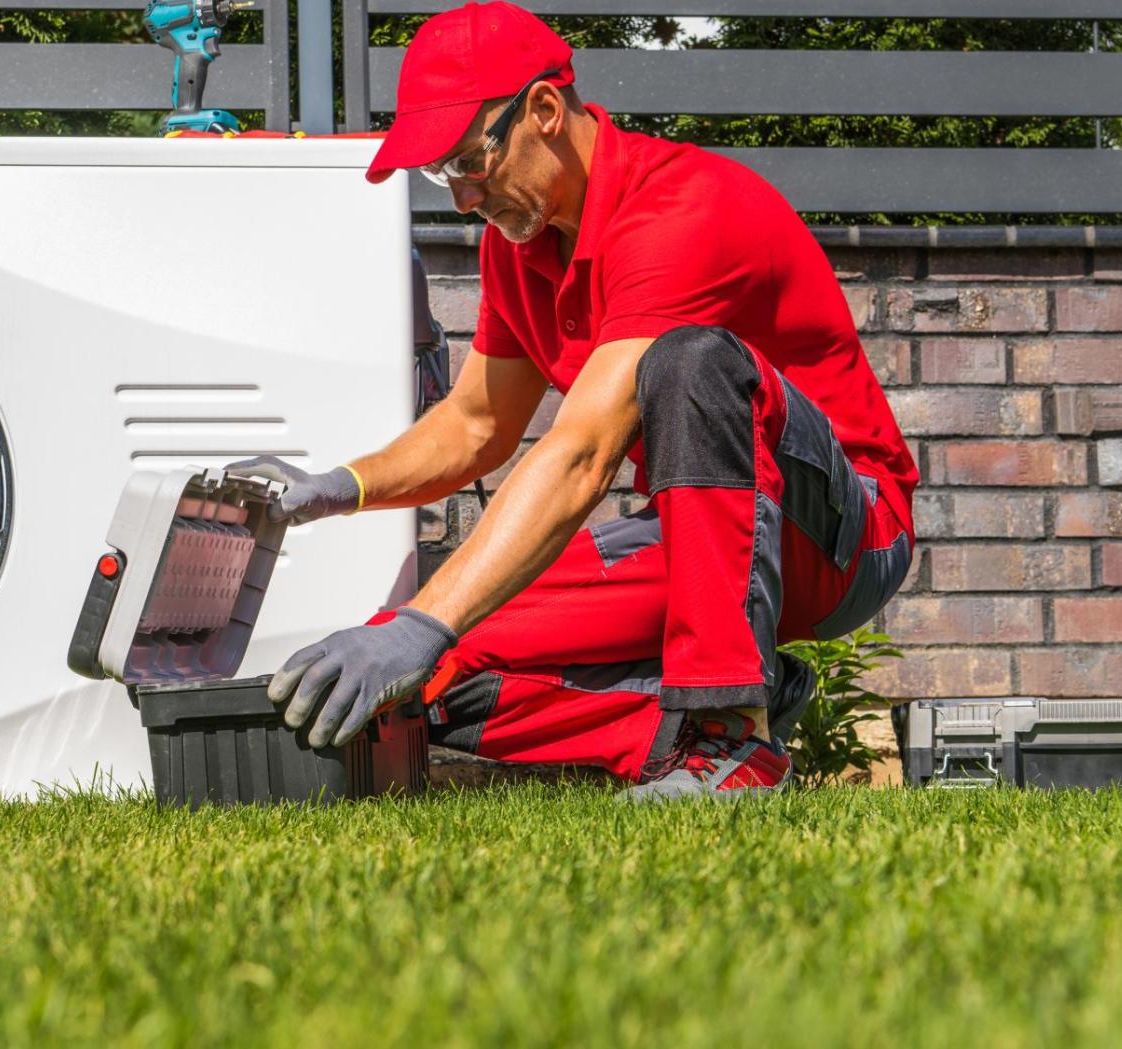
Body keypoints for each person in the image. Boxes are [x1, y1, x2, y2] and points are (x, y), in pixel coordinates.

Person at [229, 1, 917, 800]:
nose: (460, 198)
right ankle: (718, 713)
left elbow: (583, 451)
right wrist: (336, 488)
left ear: (546, 111)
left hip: (843, 533)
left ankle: (729, 736)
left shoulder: (681, 210)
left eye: (468, 162)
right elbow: (475, 424)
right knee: (429, 676)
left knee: (690, 362)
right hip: (702, 540)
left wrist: (426, 618)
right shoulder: (517, 247)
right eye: (439, 174)